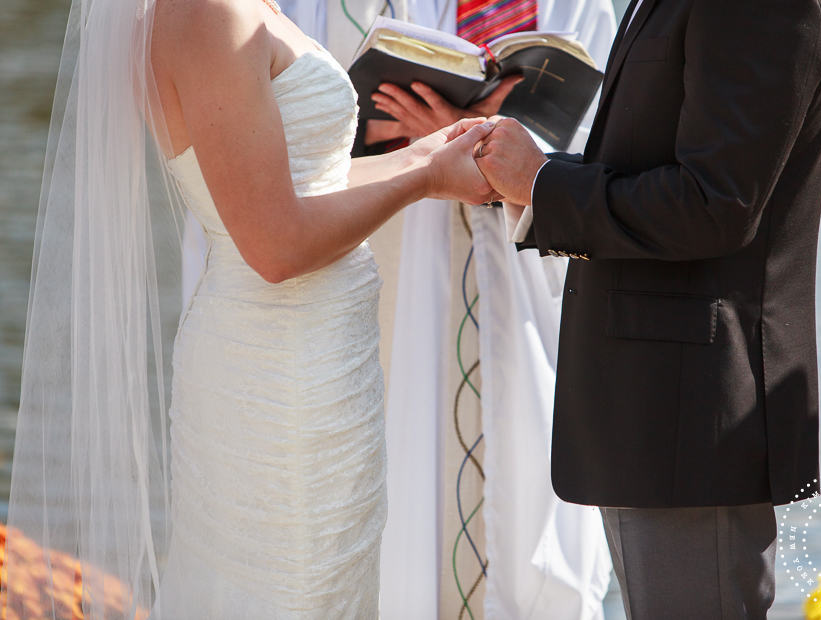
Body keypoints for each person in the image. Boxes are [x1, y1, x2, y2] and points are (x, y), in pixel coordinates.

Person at [4, 0, 494, 617]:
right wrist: (421, 182)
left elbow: (297, 186)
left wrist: (427, 158)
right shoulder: (205, 14)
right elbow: (275, 245)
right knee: (290, 590)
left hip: (322, 364)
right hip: (279, 374)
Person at [472, 0, 821, 617]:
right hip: (660, 408)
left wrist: (543, 182)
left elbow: (714, 205)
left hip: (693, 413)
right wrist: (524, 180)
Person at [370, 1, 620, 618]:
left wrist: (485, 136)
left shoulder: (581, 6)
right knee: (406, 490)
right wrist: (427, 130)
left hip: (533, 280)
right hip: (401, 255)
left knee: (532, 492)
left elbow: (614, 142)